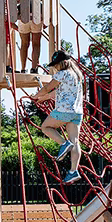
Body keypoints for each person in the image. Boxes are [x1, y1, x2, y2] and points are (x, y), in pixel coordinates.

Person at [34, 50, 84, 183]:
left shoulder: (62, 74)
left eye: (57, 64)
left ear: (64, 63)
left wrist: (36, 96)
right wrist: (43, 98)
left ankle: (63, 143)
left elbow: (47, 88)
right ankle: (73, 171)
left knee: (45, 127)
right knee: (75, 141)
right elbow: (58, 92)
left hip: (64, 111)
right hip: (77, 112)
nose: (55, 67)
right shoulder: (77, 75)